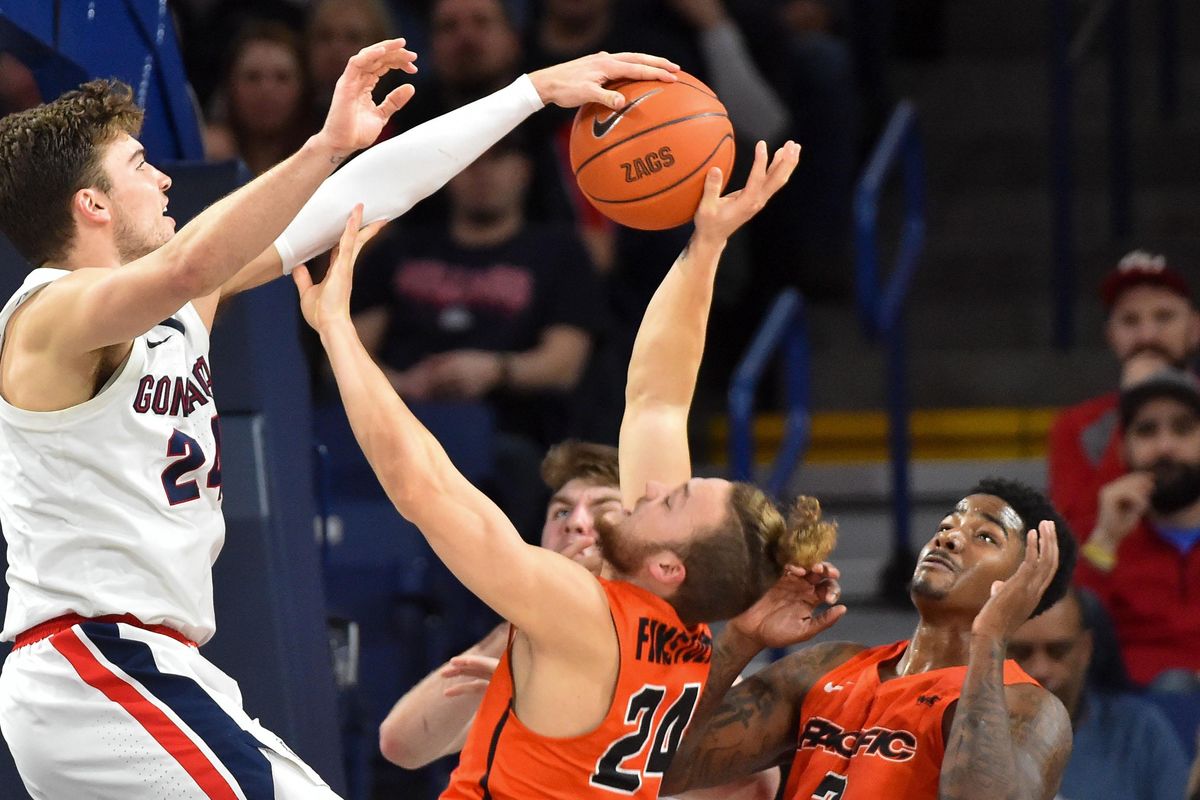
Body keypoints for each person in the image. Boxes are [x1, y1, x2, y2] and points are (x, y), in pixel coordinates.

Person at [0, 37, 684, 797]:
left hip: (151, 667)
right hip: (94, 665)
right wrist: (321, 145)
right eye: (137, 166)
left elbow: (363, 196)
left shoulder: (178, 307)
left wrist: (528, 93)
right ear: (91, 205)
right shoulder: (46, 315)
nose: (164, 177)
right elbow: (190, 264)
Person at [295, 140, 840, 798]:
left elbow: (424, 487)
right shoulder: (687, 628)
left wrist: (338, 332)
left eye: (673, 501)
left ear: (668, 567)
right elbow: (659, 400)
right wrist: (707, 246)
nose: (657, 486)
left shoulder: (581, 613)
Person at [378, 439, 780, 800]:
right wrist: (522, 630)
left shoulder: (698, 661)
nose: (577, 522)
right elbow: (401, 744)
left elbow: (758, 785)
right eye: (562, 510)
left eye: (604, 509)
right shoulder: (530, 635)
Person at [663, 477, 1079, 800]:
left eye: (985, 536)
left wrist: (989, 637)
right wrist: (741, 636)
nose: (948, 537)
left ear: (1025, 585)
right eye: (947, 525)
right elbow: (660, 767)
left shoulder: (1031, 706)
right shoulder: (825, 667)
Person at [1048, 251, 1199, 538]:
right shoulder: (1075, 427)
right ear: (1111, 335)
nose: (1147, 336)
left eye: (1164, 317)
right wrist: (1132, 409)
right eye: (1130, 321)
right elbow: (1070, 542)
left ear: (1195, 328)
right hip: (1119, 578)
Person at [1074, 366, 1200, 687]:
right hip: (1129, 713)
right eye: (1147, 431)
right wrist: (1105, 540)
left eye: (1183, 429)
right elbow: (1071, 641)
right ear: (1123, 450)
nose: (1165, 446)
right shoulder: (1099, 538)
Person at [1007, 589, 1190, 800]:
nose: (1040, 669)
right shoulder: (971, 738)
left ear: (1086, 649)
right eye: (1021, 652)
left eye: (1058, 651)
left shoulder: (1139, 731)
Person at [205, 20, 314, 175]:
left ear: (304, 86)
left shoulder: (331, 157)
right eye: (252, 77)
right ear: (230, 86)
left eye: (282, 78)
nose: (266, 90)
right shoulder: (207, 154)